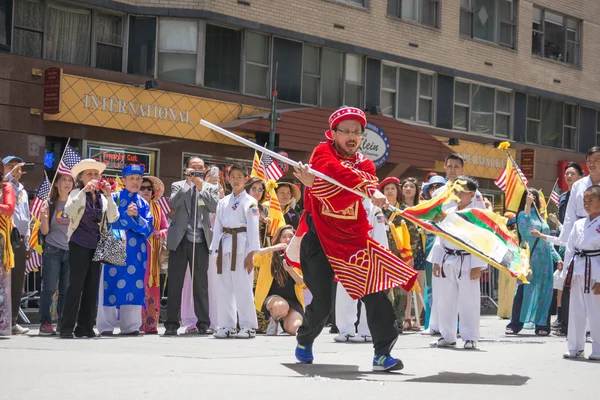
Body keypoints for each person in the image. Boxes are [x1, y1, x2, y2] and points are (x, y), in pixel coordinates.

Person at [292, 106, 417, 372]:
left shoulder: (366, 164)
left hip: (353, 241)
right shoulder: (322, 153)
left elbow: (346, 187)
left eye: (357, 132)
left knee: (377, 292)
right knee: (323, 303)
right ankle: (304, 339)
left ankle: (382, 354)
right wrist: (365, 187)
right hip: (320, 239)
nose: (351, 136)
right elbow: (335, 174)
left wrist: (329, 185)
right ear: (332, 133)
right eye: (345, 132)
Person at [61, 159, 118, 339]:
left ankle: (85, 327)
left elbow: (113, 217)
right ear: (82, 178)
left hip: (96, 244)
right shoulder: (77, 193)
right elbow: (68, 210)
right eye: (89, 174)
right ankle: (66, 327)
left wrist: (109, 196)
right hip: (78, 243)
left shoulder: (101, 197)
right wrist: (84, 192)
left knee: (92, 286)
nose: (93, 177)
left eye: (95, 174)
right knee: (75, 286)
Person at [430, 176, 486, 349]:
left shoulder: (477, 215)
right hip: (448, 258)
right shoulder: (448, 213)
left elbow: (482, 240)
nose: (458, 195)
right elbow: (441, 237)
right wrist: (437, 261)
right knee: (445, 300)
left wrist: (478, 264)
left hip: (468, 260)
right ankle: (447, 335)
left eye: (462, 192)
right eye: (456, 191)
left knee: (468, 300)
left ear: (471, 195)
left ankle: (470, 337)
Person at [165, 157, 219, 336]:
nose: (197, 171)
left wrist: (201, 187)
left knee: (200, 284)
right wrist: (188, 184)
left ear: (205, 171)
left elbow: (214, 207)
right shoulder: (178, 185)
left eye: (200, 169)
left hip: (201, 240)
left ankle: (203, 323)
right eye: (193, 168)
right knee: (175, 283)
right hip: (180, 240)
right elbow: (173, 203)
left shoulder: (211, 188)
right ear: (186, 169)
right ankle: (171, 324)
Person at [96, 165, 153, 336]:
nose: (135, 182)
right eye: (131, 178)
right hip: (114, 243)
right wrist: (127, 216)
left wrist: (136, 217)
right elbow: (107, 222)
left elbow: (149, 228)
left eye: (138, 179)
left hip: (136, 250)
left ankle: (131, 326)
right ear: (123, 180)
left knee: (134, 285)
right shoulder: (112, 198)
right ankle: (105, 326)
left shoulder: (143, 203)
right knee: (109, 284)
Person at [209, 164, 260, 339]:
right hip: (225, 245)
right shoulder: (223, 202)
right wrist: (215, 250)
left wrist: (252, 254)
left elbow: (254, 229)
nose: (236, 180)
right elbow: (218, 228)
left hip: (242, 245)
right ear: (228, 179)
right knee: (224, 288)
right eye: (233, 176)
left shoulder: (251, 202)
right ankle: (226, 325)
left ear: (246, 179)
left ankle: (248, 326)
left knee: (243, 287)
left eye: (240, 176)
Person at [506, 189, 562, 336]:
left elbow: (547, 241)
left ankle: (542, 325)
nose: (533, 198)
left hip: (545, 261)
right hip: (529, 259)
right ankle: (515, 324)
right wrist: (527, 204)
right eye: (530, 196)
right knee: (523, 291)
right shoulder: (522, 215)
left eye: (535, 196)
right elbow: (525, 229)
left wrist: (558, 258)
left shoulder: (541, 218)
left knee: (545, 293)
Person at [334, 199, 388, 343]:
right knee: (344, 294)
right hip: (346, 253)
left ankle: (367, 331)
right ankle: (346, 330)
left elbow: (380, 234)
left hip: (367, 255)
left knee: (369, 295)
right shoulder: (343, 201)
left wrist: (381, 257)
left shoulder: (374, 207)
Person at [561, 185, 600, 360]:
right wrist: (565, 274)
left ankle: (598, 348)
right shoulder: (578, 223)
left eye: (591, 200)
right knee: (576, 310)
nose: (587, 204)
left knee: (596, 311)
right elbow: (570, 249)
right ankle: (575, 347)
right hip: (577, 270)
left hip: (595, 271)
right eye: (585, 201)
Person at [38, 173, 74, 335]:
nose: (67, 183)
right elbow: (45, 231)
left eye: (70, 180)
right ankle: (45, 323)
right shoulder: (49, 204)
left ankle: (62, 322)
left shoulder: (76, 203)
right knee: (49, 289)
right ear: (56, 184)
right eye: (63, 180)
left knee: (66, 290)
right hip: (53, 250)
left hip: (71, 251)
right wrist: (43, 217)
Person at [254, 225, 304, 336]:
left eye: (291, 236)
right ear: (278, 239)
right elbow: (254, 257)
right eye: (283, 237)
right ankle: (274, 320)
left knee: (295, 329)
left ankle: (285, 322)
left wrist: (291, 271)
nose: (287, 239)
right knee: (281, 306)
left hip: (293, 301)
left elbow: (303, 283)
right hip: (273, 299)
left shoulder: (300, 257)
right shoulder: (268, 256)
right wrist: (273, 248)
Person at [3, 156, 31, 335]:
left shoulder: (23, 190)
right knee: (3, 279)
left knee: (17, 281)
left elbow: (26, 217)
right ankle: (2, 319)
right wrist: (7, 178)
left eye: (18, 168)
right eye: (10, 166)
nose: (15, 170)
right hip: (4, 237)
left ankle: (12, 321)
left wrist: (27, 242)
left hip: (19, 238)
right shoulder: (3, 186)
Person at [138, 176, 168, 334]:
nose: (145, 191)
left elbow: (166, 228)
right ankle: (136, 323)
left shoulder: (157, 208)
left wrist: (158, 233)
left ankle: (150, 324)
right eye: (142, 188)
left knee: (153, 287)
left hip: (154, 254)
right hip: (137, 251)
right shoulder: (132, 205)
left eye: (148, 188)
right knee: (138, 284)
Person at [420, 175, 446, 331]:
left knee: (449, 287)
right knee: (431, 287)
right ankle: (431, 323)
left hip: (450, 249)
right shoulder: (424, 207)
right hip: (431, 248)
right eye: (432, 187)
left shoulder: (451, 206)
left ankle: (451, 324)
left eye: (439, 187)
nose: (435, 190)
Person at [399, 177, 425, 331]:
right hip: (403, 250)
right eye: (405, 186)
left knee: (420, 285)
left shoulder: (422, 208)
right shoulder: (399, 208)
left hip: (420, 250)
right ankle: (406, 318)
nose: (408, 189)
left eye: (411, 186)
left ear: (416, 190)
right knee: (406, 285)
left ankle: (418, 320)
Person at [0, 160, 16, 336]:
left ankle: (2, 324)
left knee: (1, 285)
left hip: (1, 239)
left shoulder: (6, 187)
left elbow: (9, 209)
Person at [497, 212, 518, 319]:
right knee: (511, 287)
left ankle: (503, 312)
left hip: (503, 261)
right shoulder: (514, 234)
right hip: (513, 261)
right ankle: (510, 312)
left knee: (503, 287)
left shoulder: (501, 233)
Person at [246, 177, 270, 245]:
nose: (257, 192)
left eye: (260, 190)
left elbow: (267, 233)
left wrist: (268, 224)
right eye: (254, 189)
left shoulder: (264, 209)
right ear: (248, 190)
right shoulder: (242, 206)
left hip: (261, 246)